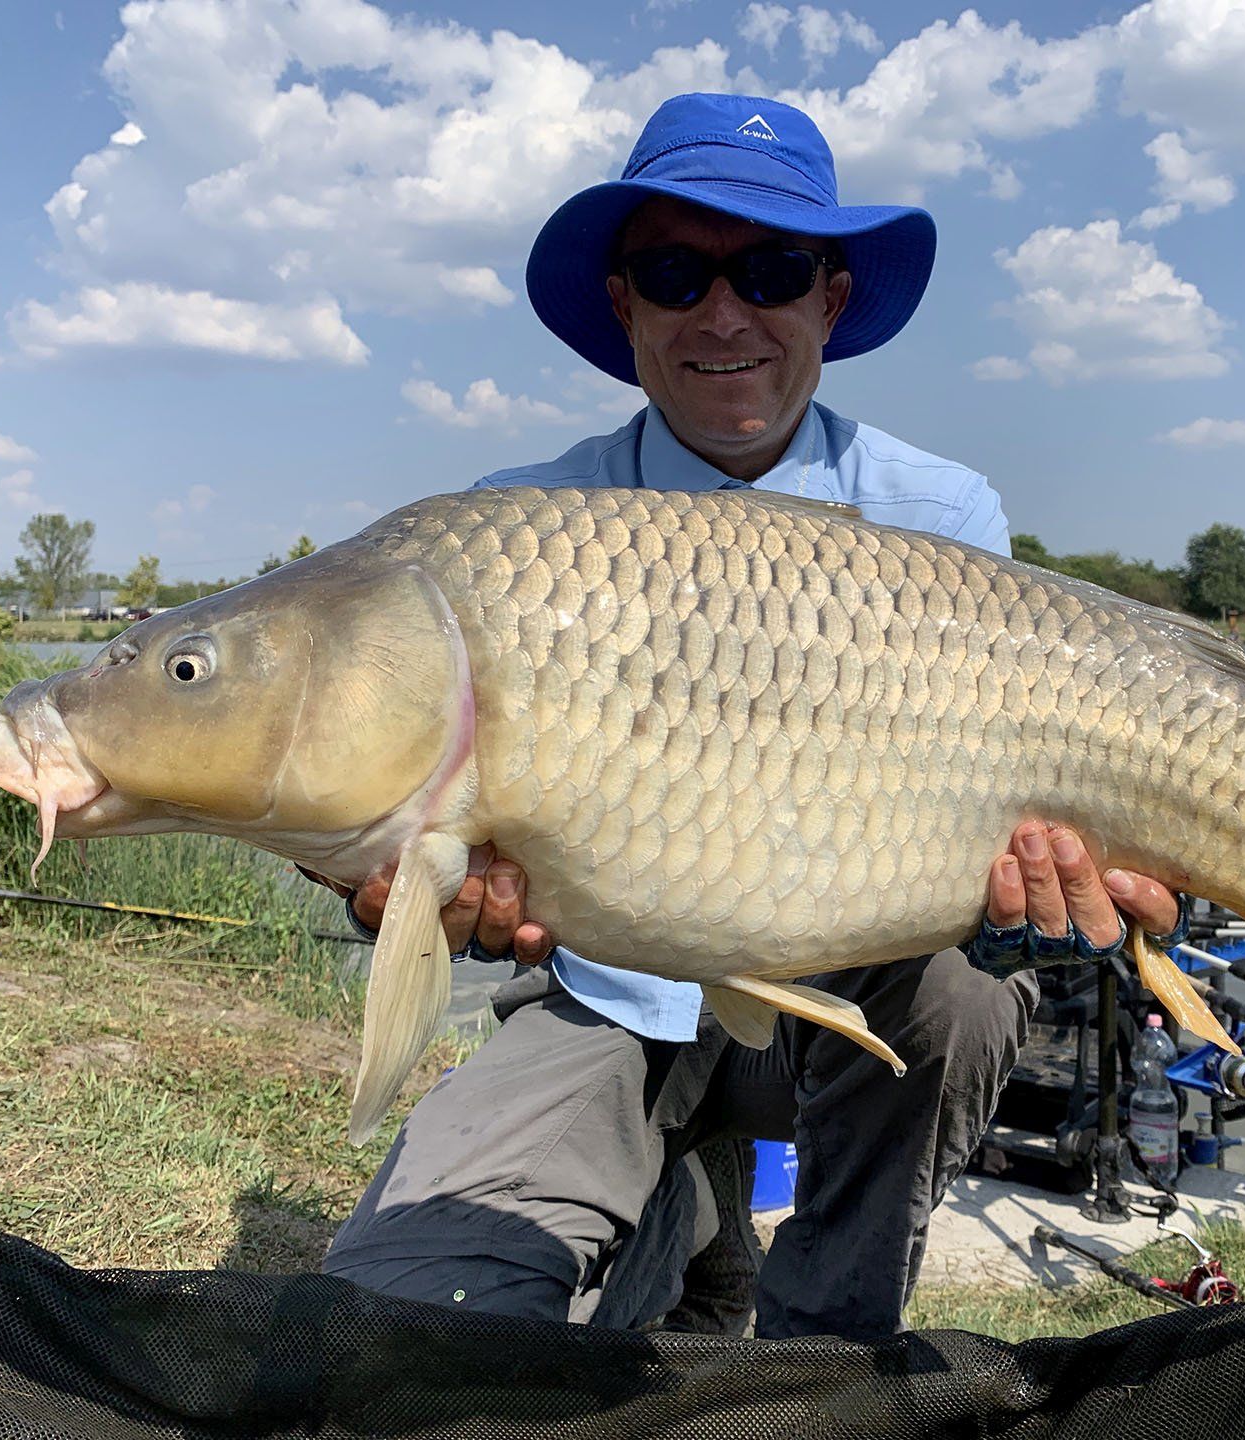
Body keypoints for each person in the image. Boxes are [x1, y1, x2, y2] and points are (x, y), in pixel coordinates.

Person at [309, 93, 1181, 1340]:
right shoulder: (510, 529)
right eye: (675, 272)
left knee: (968, 997)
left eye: (770, 270)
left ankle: (824, 1339)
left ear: (829, 298)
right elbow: (371, 807)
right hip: (608, 994)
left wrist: (1043, 904)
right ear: (626, 308)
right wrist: (393, 885)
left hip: (846, 1013)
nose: (725, 314)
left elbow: (999, 852)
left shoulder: (938, 513)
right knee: (404, 1318)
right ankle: (690, 1218)